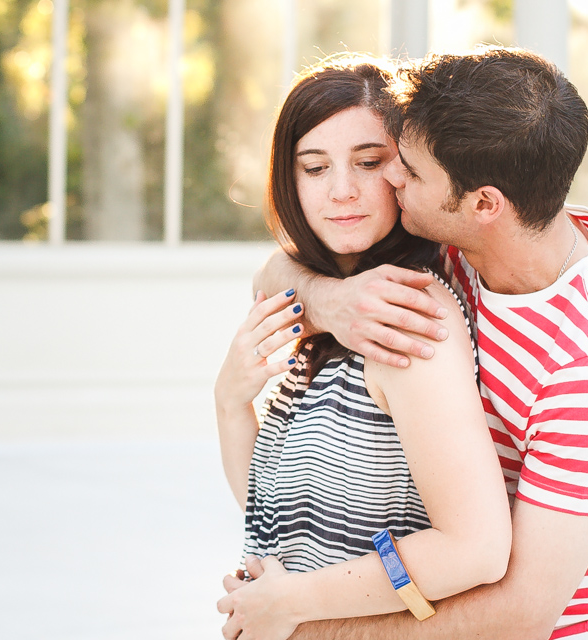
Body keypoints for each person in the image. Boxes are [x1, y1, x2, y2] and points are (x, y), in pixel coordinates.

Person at [236, 46, 588, 640]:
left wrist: (301, 624)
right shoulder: (468, 245)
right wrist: (330, 302)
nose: (387, 180)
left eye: (407, 171)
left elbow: (518, 614)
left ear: (484, 204)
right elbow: (273, 273)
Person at [214, 54, 513, 640]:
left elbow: (475, 548)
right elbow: (276, 511)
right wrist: (230, 402)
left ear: (402, 171)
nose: (342, 191)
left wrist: (291, 602)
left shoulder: (406, 318)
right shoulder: (330, 308)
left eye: (368, 162)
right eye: (315, 167)